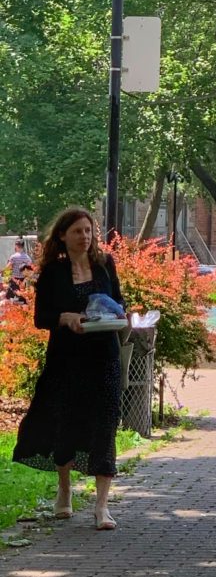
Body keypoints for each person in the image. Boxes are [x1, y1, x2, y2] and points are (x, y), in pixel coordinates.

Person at [12, 207, 125, 531]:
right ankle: (64, 492)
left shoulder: (105, 265)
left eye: (88, 231)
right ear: (63, 235)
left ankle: (102, 507)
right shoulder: (52, 272)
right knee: (65, 421)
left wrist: (116, 317)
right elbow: (41, 318)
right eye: (78, 231)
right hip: (66, 358)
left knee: (105, 424)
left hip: (104, 355)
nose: (85, 237)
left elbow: (119, 303)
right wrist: (66, 317)